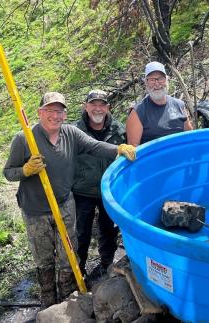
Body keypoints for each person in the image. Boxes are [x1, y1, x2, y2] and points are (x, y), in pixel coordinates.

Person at [3, 92, 135, 309]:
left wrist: (118, 150)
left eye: (60, 111)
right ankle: (48, 301)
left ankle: (68, 298)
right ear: (40, 112)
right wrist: (25, 170)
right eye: (50, 111)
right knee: (44, 260)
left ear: (65, 114)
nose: (55, 116)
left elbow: (95, 146)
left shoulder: (71, 133)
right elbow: (8, 172)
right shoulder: (24, 138)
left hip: (65, 204)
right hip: (35, 209)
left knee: (68, 254)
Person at [73, 89, 125, 278]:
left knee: (108, 230)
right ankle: (78, 269)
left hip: (109, 191)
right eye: (93, 104)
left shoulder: (119, 129)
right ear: (86, 107)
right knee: (81, 232)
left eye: (102, 104)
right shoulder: (74, 131)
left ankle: (107, 265)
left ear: (108, 107)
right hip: (82, 190)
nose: (97, 108)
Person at [126, 61, 193, 146]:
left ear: (167, 80)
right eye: (152, 80)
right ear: (146, 82)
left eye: (161, 78)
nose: (157, 84)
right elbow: (133, 150)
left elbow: (190, 137)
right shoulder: (137, 112)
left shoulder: (179, 105)